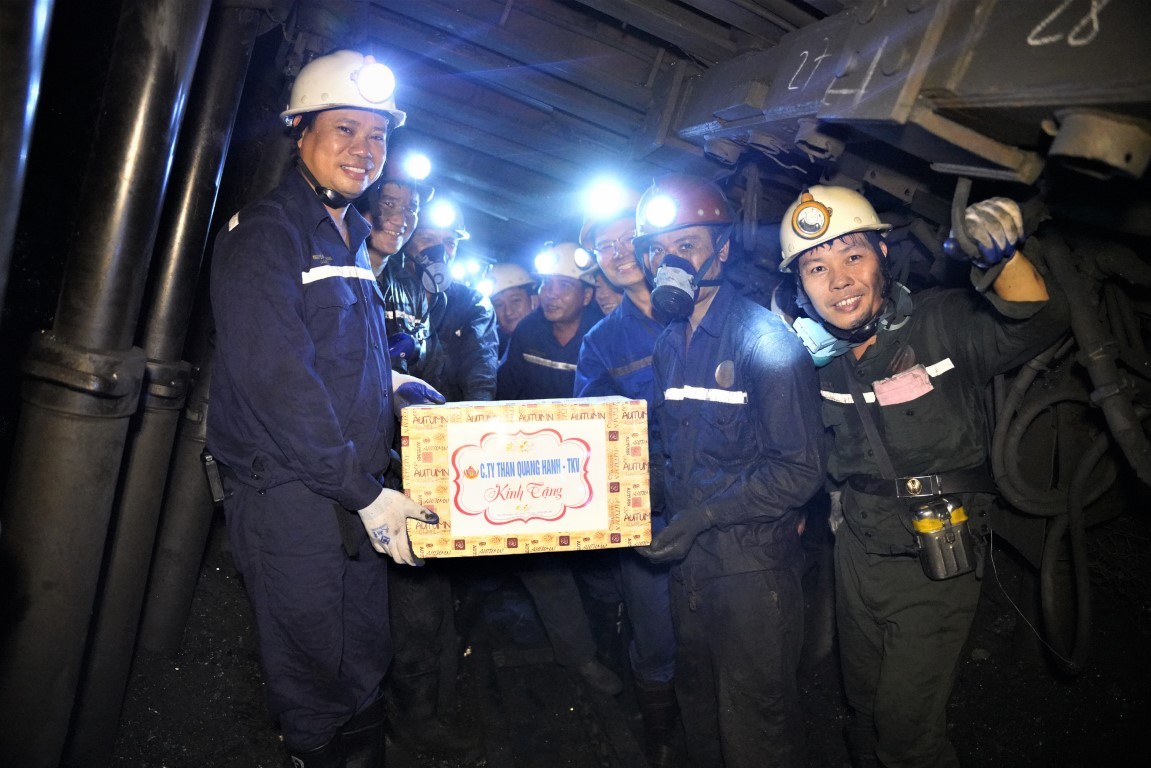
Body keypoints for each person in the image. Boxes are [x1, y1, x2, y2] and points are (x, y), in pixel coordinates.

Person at [207, 50, 444, 768]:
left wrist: (395, 386)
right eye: (345, 130)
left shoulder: (341, 233)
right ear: (299, 130)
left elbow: (337, 350)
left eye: (377, 137)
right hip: (291, 492)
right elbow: (279, 380)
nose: (364, 151)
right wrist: (364, 494)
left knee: (363, 652)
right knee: (311, 666)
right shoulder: (267, 232)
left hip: (344, 484)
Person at [777, 185, 1069, 768]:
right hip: (856, 550)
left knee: (907, 734)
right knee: (861, 708)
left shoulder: (940, 322)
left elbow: (1037, 321)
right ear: (800, 287)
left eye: (853, 256)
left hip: (936, 549)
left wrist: (1002, 256)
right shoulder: (815, 361)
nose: (839, 281)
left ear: (883, 256)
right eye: (817, 267)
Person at [636, 174, 826, 768]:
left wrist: (703, 516)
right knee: (699, 710)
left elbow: (799, 472)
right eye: (657, 249)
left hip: (752, 572)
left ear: (721, 250)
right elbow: (673, 452)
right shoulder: (671, 343)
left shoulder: (765, 345)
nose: (669, 261)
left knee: (755, 729)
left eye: (686, 246)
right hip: (690, 569)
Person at [573, 191, 679, 767]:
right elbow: (593, 437)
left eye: (624, 238)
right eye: (603, 246)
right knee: (657, 636)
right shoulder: (603, 342)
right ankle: (660, 740)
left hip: (726, 496)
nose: (617, 252)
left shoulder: (706, 306)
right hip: (651, 507)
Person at [492, 242, 620, 696]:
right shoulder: (528, 331)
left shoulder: (605, 333)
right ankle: (582, 659)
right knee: (544, 566)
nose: (550, 294)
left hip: (595, 468)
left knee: (602, 570)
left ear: (586, 294)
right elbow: (504, 396)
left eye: (563, 286)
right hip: (539, 465)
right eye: (546, 285)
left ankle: (612, 647)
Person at [402, 200, 499, 402]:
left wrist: (474, 424)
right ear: (406, 241)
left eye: (450, 243)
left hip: (447, 425)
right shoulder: (386, 291)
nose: (440, 251)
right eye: (428, 239)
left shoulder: (472, 304)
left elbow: (480, 377)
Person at [486, 261, 538, 360]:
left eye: (515, 300)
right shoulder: (491, 344)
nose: (508, 312)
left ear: (534, 301)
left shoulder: (550, 344)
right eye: (499, 305)